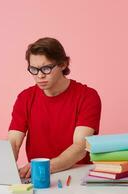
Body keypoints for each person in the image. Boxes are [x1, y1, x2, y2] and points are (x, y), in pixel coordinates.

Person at [8, 37, 101, 179]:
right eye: (34, 69)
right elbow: (13, 143)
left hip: (77, 177)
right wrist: (2, 168)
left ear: (63, 64)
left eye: (46, 68)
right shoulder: (25, 98)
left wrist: (45, 166)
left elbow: (80, 147)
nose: (40, 75)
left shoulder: (88, 96)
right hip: (39, 177)